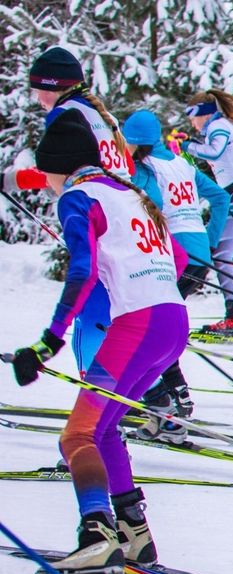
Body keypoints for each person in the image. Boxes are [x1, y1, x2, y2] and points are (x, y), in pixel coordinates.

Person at [8, 111, 188, 574]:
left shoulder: (77, 197)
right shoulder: (129, 192)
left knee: (76, 435)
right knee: (104, 429)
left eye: (46, 171)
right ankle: (134, 534)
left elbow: (83, 270)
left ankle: (97, 535)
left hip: (139, 328)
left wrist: (49, 342)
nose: (46, 182)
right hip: (172, 323)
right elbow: (180, 257)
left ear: (60, 166)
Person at [3, 47, 133, 374]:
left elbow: (62, 169)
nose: (37, 98)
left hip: (99, 217)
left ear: (50, 87)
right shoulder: (103, 115)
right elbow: (125, 166)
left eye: (37, 90)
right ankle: (157, 391)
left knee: (91, 313)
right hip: (130, 217)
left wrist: (11, 180)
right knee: (125, 313)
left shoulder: (66, 114)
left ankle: (104, 398)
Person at [121, 108, 230, 443]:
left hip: (172, 255)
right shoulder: (181, 162)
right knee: (159, 325)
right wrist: (209, 240)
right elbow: (221, 197)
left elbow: (138, 204)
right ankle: (172, 399)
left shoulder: (144, 168)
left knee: (151, 326)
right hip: (197, 252)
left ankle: (171, 404)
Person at [179, 90, 233, 338]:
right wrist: (191, 145)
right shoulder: (218, 126)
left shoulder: (218, 125)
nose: (191, 122)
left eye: (192, 116)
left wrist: (187, 145)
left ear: (202, 114)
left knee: (224, 255)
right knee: (232, 257)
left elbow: (214, 151)